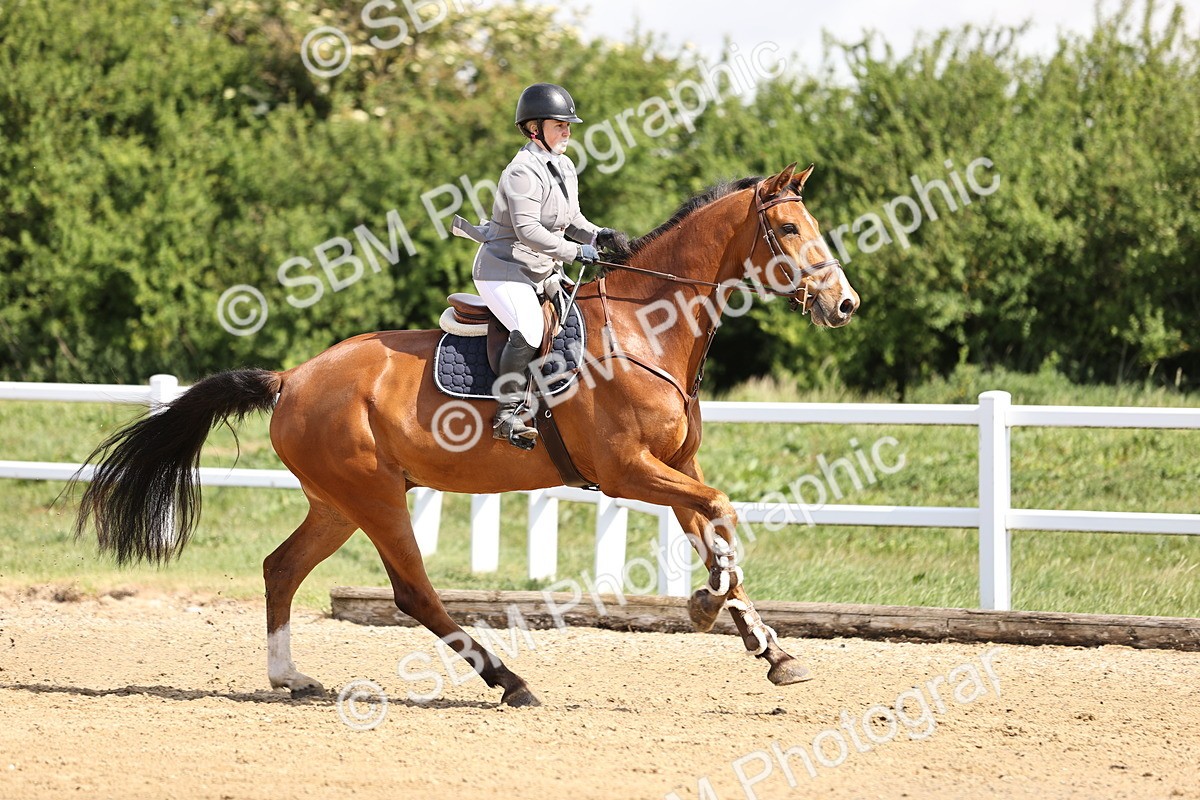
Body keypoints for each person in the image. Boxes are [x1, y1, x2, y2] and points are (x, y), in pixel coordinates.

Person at [463, 83, 626, 450]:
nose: (567, 132)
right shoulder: (521, 171)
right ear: (534, 129)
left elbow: (572, 218)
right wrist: (574, 252)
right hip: (504, 269)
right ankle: (507, 414)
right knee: (531, 330)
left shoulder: (564, 165)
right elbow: (529, 230)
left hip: (542, 270)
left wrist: (599, 234)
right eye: (560, 126)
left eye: (569, 126)